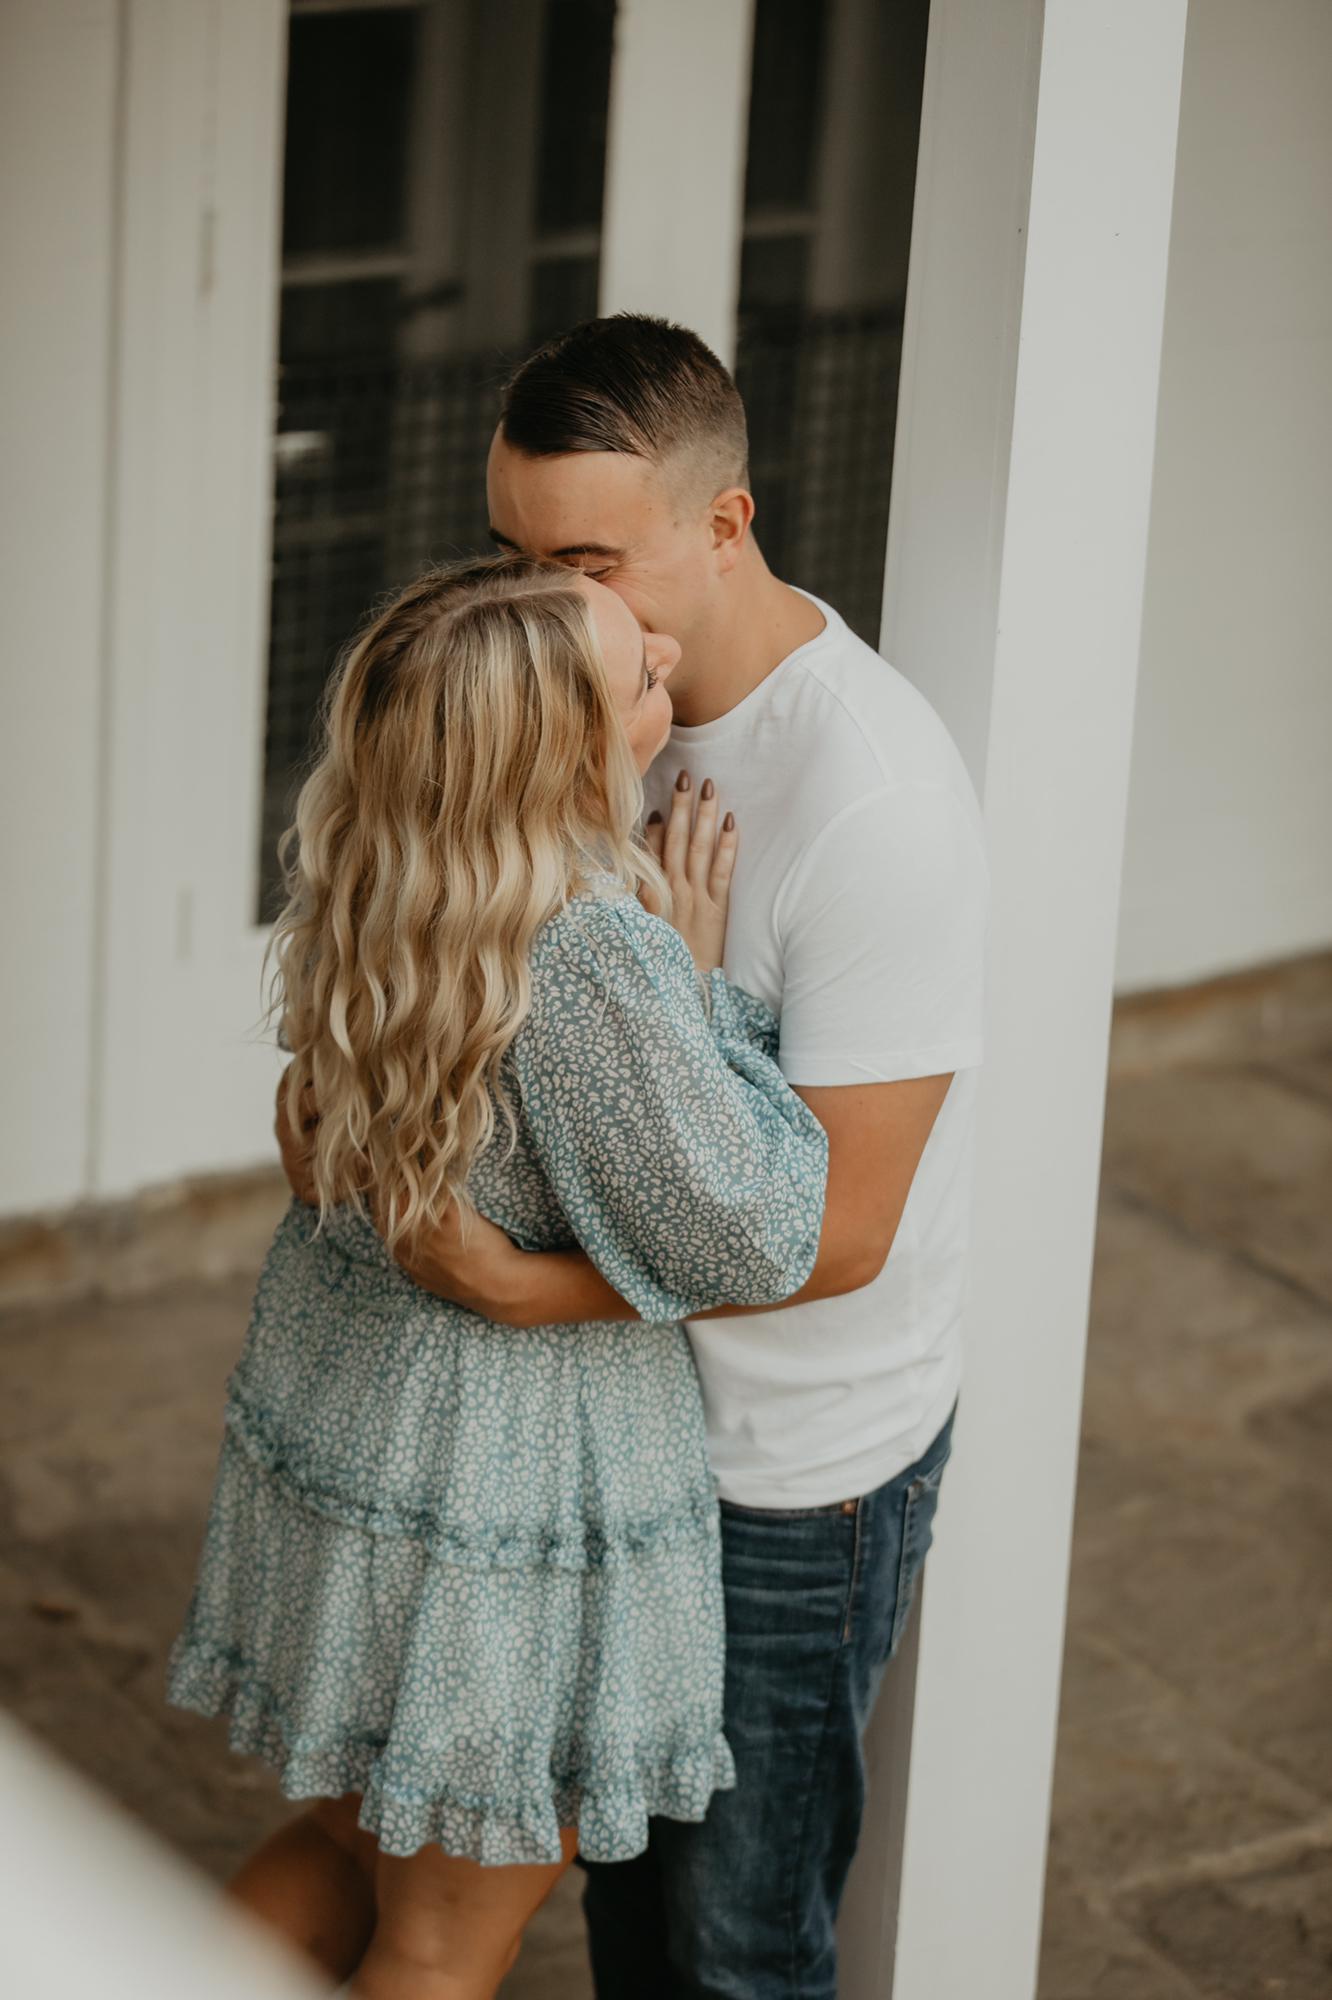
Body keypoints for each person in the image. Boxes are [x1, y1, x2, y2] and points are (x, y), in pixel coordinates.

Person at [288, 313, 990, 2000]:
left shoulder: (874, 802)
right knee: (609, 1930)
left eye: (587, 564)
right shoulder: (543, 699)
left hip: (773, 1473)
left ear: (725, 523)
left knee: (728, 1948)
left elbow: (839, 1233)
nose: (537, 603)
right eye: (511, 553)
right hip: (574, 1460)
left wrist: (514, 1289)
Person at [165, 550, 832, 2000]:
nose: (669, 660)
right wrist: (697, 994)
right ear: (568, 755)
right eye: (638, 675)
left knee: (348, 1847)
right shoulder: (591, 953)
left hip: (361, 1425)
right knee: (446, 1938)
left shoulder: (380, 863)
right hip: (498, 1493)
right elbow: (756, 1230)